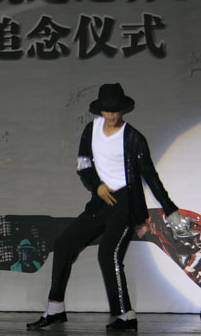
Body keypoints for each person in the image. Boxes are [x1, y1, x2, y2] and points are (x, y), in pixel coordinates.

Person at [26, 83, 194, 332]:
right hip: (100, 201)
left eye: (115, 110)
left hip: (125, 205)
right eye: (106, 110)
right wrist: (97, 186)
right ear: (100, 111)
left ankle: (126, 315)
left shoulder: (134, 138)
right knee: (63, 244)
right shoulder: (90, 130)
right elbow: (83, 165)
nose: (111, 115)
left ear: (123, 110)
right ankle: (55, 309)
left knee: (108, 254)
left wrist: (170, 209)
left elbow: (150, 176)